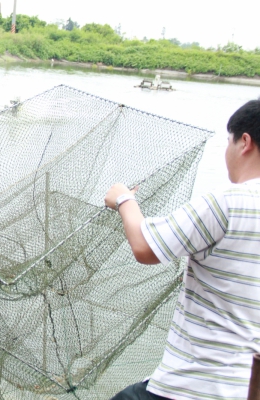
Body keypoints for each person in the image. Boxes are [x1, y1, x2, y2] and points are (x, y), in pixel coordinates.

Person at [105, 100, 260, 400]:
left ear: (244, 141)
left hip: (196, 384)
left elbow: (146, 247)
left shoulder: (229, 200)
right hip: (249, 387)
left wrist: (124, 199)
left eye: (228, 141)